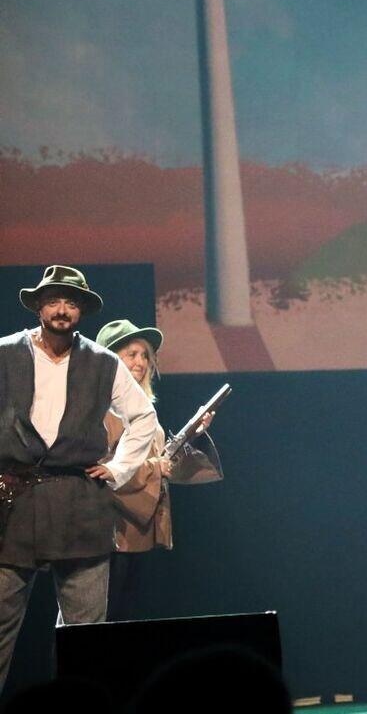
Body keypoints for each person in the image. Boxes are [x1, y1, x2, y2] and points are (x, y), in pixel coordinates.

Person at [0, 266, 159, 690]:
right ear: (38, 306)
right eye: (53, 300)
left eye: (71, 302)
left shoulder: (103, 362)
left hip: (79, 501)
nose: (61, 310)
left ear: (82, 311)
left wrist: (118, 468)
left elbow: (143, 417)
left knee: (85, 634)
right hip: (14, 499)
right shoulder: (5, 353)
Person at [93, 319, 222, 620]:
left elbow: (162, 461)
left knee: (123, 616)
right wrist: (155, 467)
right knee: (99, 617)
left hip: (136, 531)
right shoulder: (102, 409)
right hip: (111, 532)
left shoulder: (143, 411)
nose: (140, 362)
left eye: (144, 355)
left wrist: (193, 435)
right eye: (131, 354)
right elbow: (101, 470)